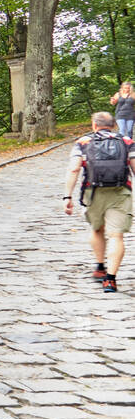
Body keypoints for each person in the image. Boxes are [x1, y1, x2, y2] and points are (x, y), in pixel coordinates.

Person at [64, 111, 135, 293]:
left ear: (94, 125)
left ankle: (100, 267)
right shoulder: (126, 141)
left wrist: (68, 196)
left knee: (97, 229)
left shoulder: (83, 142)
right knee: (116, 236)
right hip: (120, 192)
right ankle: (110, 280)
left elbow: (74, 169)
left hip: (93, 191)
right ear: (114, 125)